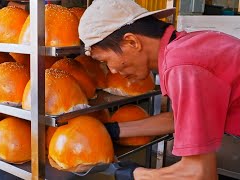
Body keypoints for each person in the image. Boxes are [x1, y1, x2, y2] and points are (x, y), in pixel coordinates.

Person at [78, 0, 240, 179]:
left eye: (105, 61)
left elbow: (199, 173)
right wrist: (112, 130)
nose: (112, 70)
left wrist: (132, 174)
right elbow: (180, 120)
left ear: (132, 42)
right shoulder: (186, 47)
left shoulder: (182, 66)